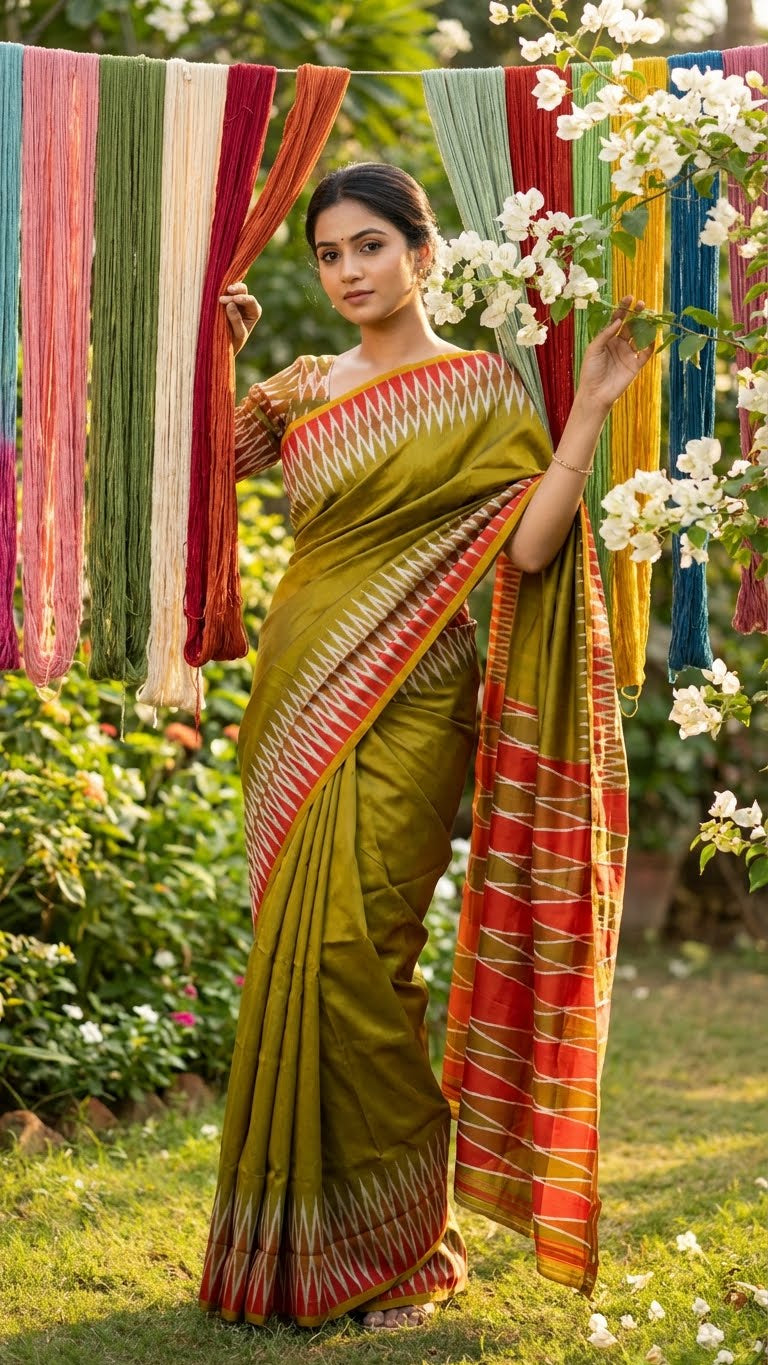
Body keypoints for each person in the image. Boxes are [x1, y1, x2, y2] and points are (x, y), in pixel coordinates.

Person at [197, 162, 652, 1331]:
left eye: (370, 248)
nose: (350, 272)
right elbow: (198, 468)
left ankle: (404, 1251)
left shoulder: (483, 390)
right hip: (300, 694)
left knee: (359, 954)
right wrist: (218, 351)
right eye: (330, 255)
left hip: (416, 699)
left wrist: (589, 410)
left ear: (423, 251)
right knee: (301, 960)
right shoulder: (303, 387)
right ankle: (300, 1249)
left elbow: (534, 553)